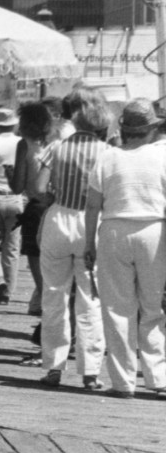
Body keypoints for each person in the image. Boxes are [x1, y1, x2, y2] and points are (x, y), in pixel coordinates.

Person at [84, 98, 166, 398]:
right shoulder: (163, 156)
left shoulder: (108, 157)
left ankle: (122, 382)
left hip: (114, 229)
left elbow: (93, 205)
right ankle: (158, 378)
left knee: (118, 309)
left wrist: (88, 242)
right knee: (153, 307)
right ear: (151, 129)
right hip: (154, 230)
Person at [36, 88, 109, 390]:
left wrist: (56, 195)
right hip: (91, 222)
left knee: (53, 295)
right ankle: (90, 371)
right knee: (90, 298)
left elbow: (39, 187)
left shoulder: (57, 147)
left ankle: (53, 366)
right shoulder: (107, 152)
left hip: (59, 217)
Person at [13, 101, 55, 321]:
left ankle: (46, 325)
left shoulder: (24, 145)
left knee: (39, 276)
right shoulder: (55, 144)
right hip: (55, 208)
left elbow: (18, 186)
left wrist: (13, 173)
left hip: (35, 209)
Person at [0, 107, 24, 305]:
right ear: (14, 123)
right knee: (12, 247)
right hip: (15, 198)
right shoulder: (21, 143)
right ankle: (8, 292)